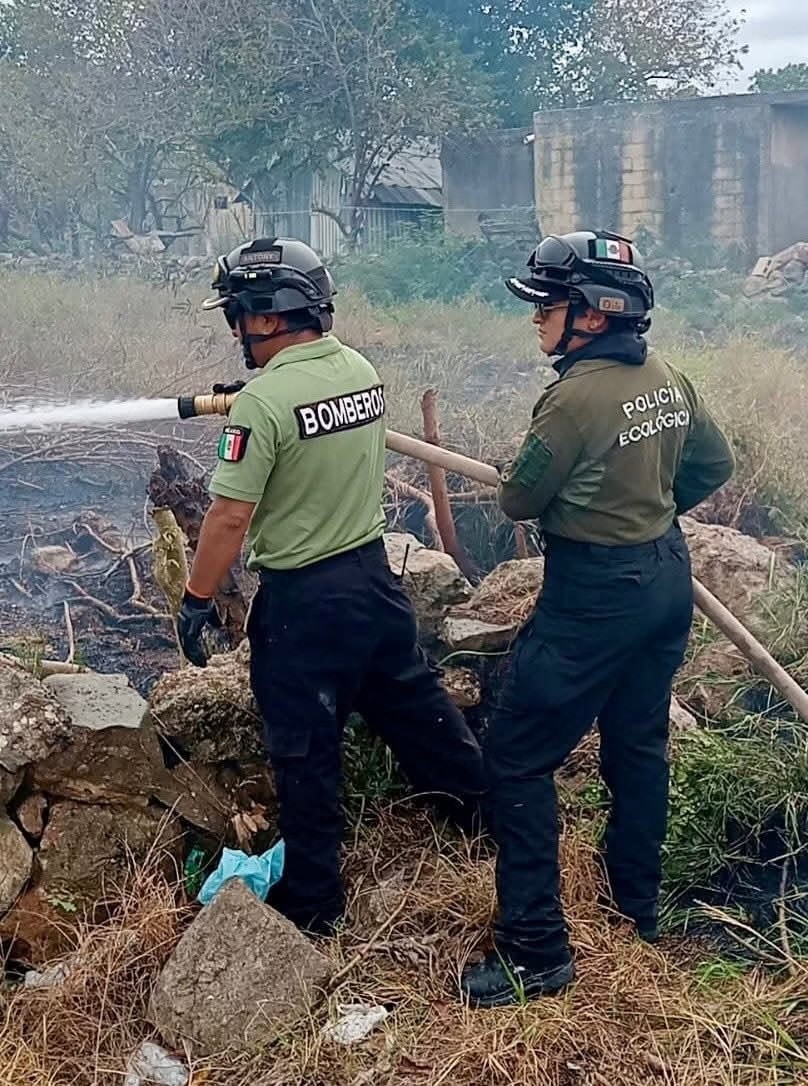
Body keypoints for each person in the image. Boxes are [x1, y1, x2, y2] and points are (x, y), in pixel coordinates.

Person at [177, 237, 486, 936]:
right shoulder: (359, 370)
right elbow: (308, 421)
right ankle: (486, 817)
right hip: (372, 582)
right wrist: (256, 402)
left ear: (262, 317)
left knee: (303, 749)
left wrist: (196, 600)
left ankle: (313, 904)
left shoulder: (264, 405)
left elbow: (228, 515)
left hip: (303, 603)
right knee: (415, 712)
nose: (233, 331)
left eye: (237, 316)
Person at [460, 230, 734, 1007]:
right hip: (663, 579)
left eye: (546, 305)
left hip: (594, 598)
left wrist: (599, 516)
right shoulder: (664, 374)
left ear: (590, 314)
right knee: (637, 747)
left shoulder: (573, 397)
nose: (535, 319)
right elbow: (713, 464)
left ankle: (536, 955)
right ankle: (633, 910)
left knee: (514, 760)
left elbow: (519, 498)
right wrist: (644, 512)